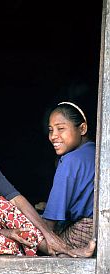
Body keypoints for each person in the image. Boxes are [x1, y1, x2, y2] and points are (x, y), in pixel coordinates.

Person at [0, 109, 96, 263]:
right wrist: (7, 233)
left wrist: (48, 234)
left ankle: (59, 250)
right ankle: (38, 251)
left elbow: (16, 199)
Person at [42, 101, 96, 254]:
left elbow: (50, 222)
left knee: (35, 244)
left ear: (82, 128)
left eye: (61, 128)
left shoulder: (69, 161)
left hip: (84, 232)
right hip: (100, 230)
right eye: (51, 130)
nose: (53, 136)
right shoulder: (95, 152)